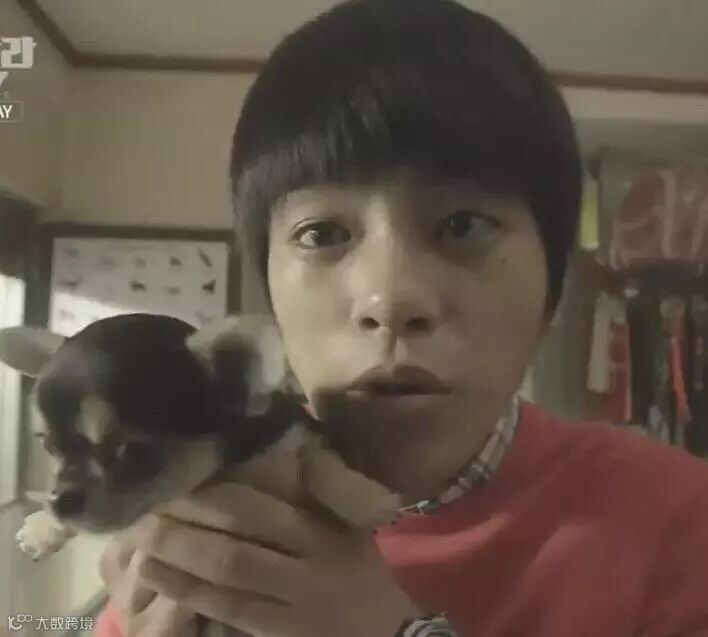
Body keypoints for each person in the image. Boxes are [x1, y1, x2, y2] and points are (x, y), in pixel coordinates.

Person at [95, 0, 708, 635]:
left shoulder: (682, 523)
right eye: (322, 233)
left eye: (462, 226)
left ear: (552, 289)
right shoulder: (189, 521)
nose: (390, 300)